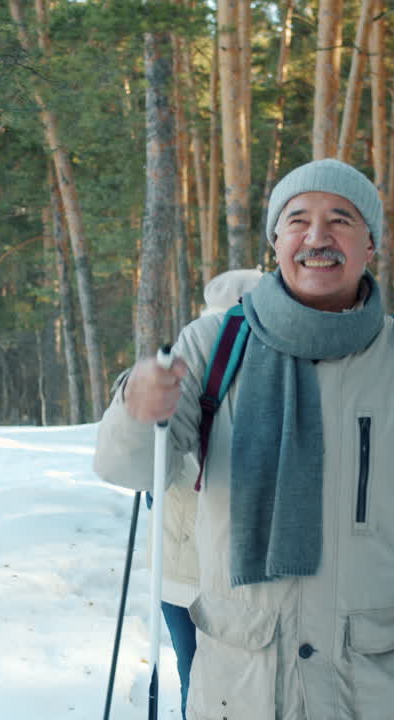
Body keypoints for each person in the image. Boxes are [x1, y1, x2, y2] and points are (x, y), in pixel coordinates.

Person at [94, 158, 394, 720]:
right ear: (276, 242)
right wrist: (135, 410)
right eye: (298, 220)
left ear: (369, 245)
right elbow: (131, 468)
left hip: (377, 686)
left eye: (340, 220)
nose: (318, 236)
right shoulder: (213, 345)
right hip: (242, 687)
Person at [154, 268, 264, 720]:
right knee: (202, 680)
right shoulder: (185, 380)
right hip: (190, 577)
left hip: (209, 578)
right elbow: (153, 472)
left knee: (212, 681)